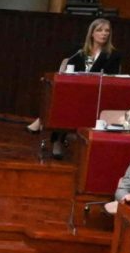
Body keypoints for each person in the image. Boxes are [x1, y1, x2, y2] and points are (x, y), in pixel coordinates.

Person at [29, 17, 119, 154]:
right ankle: (57, 139)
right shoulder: (79, 51)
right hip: (76, 89)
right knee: (64, 96)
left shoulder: (113, 55)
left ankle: (45, 124)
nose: (104, 33)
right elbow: (68, 71)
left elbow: (112, 78)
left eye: (107, 31)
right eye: (100, 30)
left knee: (67, 100)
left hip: (97, 93)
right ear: (92, 33)